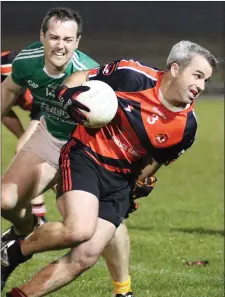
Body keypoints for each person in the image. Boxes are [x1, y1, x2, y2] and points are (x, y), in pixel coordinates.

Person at [2, 40, 218, 297]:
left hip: (121, 180)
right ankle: (13, 252)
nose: (201, 86)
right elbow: (80, 76)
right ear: (175, 68)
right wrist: (67, 95)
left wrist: (138, 186)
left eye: (205, 80)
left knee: (86, 256)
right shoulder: (131, 75)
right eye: (197, 75)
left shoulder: (186, 127)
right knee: (78, 230)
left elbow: (155, 160)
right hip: (86, 157)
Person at [1, 51, 48, 220]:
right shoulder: (6, 77)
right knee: (26, 150)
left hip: (52, 108)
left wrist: (25, 141)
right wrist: (22, 136)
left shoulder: (37, 81)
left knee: (26, 151)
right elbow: (5, 113)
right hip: (40, 110)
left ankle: (38, 215)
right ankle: (38, 214)